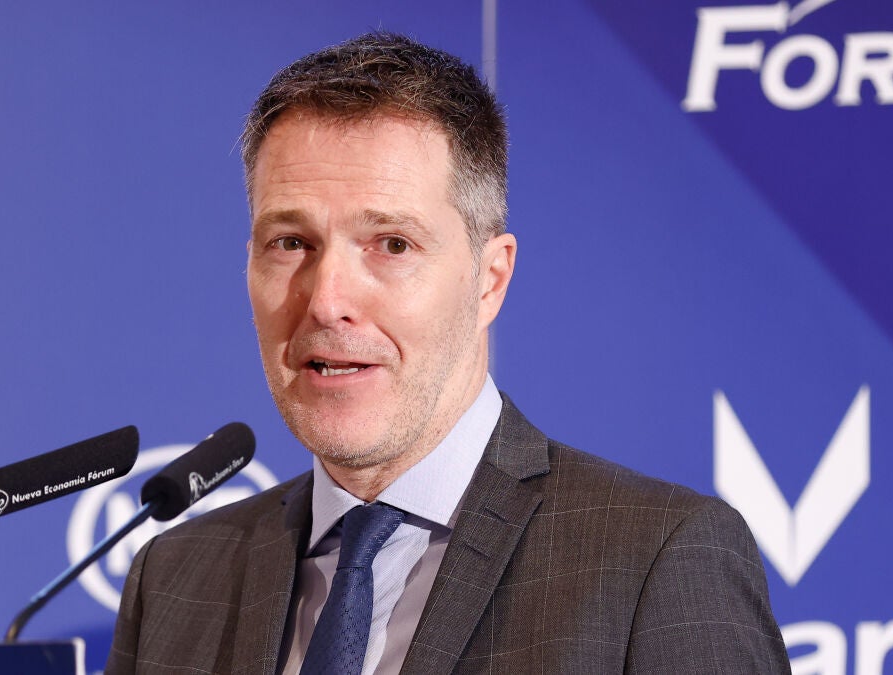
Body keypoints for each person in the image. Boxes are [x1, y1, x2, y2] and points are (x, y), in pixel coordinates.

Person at [108, 32, 790, 674]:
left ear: (489, 279)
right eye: (290, 243)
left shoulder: (656, 558)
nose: (325, 300)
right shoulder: (173, 578)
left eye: (392, 244)